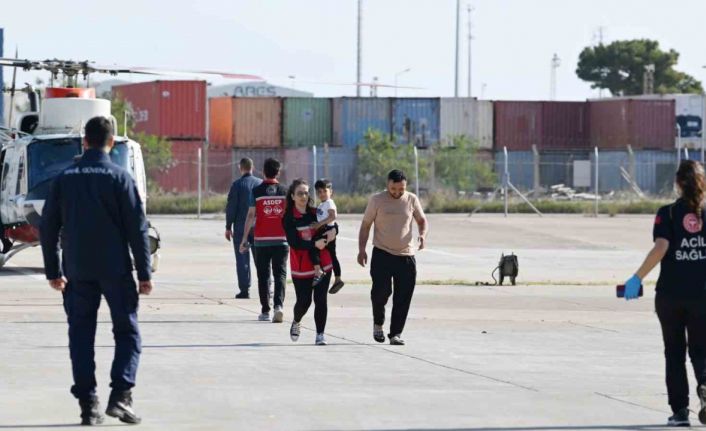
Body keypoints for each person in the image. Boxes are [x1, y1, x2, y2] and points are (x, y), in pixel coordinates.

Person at [40, 116, 152, 426]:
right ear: (111, 143)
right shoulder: (121, 177)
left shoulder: (64, 179)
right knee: (127, 332)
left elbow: (48, 227)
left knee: (80, 335)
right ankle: (121, 396)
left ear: (84, 142)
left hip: (77, 270)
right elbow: (137, 229)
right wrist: (144, 272)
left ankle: (88, 406)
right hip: (116, 268)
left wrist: (53, 269)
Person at [623, 160, 706, 427]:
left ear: (678, 184)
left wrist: (637, 278)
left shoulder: (667, 213)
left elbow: (661, 247)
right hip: (702, 295)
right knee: (701, 351)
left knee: (674, 353)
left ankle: (680, 411)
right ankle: (705, 386)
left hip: (670, 295)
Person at [357, 169, 427, 346]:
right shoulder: (377, 200)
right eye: (393, 189)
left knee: (403, 297)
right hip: (382, 253)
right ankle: (378, 323)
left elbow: (422, 220)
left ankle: (395, 333)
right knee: (381, 292)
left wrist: (423, 235)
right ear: (387, 184)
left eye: (401, 189)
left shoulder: (411, 199)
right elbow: (365, 225)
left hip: (406, 256)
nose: (397, 192)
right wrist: (362, 249)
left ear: (406, 186)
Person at [282, 178, 335, 345]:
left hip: (323, 262)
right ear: (292, 196)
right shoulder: (289, 218)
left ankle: (320, 335)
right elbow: (294, 242)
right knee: (304, 301)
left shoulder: (316, 212)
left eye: (306, 192)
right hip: (302, 266)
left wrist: (333, 233)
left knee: (321, 300)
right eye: (300, 193)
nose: (304, 196)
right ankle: (297, 320)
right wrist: (314, 243)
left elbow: (332, 224)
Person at [240, 158, 288, 323]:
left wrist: (244, 238)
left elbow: (251, 215)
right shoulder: (285, 191)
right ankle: (278, 306)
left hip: (261, 240)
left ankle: (265, 310)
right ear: (278, 172)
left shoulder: (257, 191)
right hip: (281, 240)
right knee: (280, 274)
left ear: (263, 172)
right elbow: (289, 217)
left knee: (263, 275)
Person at [225, 158, 262, 299]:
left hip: (241, 228)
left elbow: (231, 208)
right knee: (261, 260)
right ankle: (266, 287)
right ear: (252, 167)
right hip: (259, 228)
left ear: (240, 167)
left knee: (242, 259)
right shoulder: (260, 184)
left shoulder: (237, 185)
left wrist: (228, 227)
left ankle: (244, 290)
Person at [310, 179, 344, 293]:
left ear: (331, 191)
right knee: (333, 255)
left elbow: (332, 216)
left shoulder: (329, 202)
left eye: (325, 191)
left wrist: (319, 224)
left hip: (327, 230)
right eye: (319, 192)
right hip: (325, 229)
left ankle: (318, 271)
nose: (322, 194)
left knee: (313, 247)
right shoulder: (321, 204)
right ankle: (338, 278)